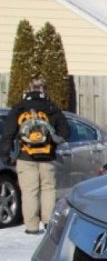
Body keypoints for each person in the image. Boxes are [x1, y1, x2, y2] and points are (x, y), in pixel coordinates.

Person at [0, 78, 69, 234]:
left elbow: (8, 134)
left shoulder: (19, 108)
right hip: (48, 157)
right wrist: (51, 142)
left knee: (30, 192)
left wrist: (6, 156)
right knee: (48, 189)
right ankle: (48, 222)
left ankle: (31, 227)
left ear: (28, 90)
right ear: (44, 90)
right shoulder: (52, 108)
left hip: (25, 157)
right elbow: (65, 133)